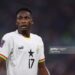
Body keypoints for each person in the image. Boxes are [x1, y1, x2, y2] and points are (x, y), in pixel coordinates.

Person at [0, 8, 50, 75]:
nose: (23, 21)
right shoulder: (9, 38)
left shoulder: (38, 40)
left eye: (26, 18)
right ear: (16, 22)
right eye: (20, 18)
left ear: (31, 21)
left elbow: (41, 67)